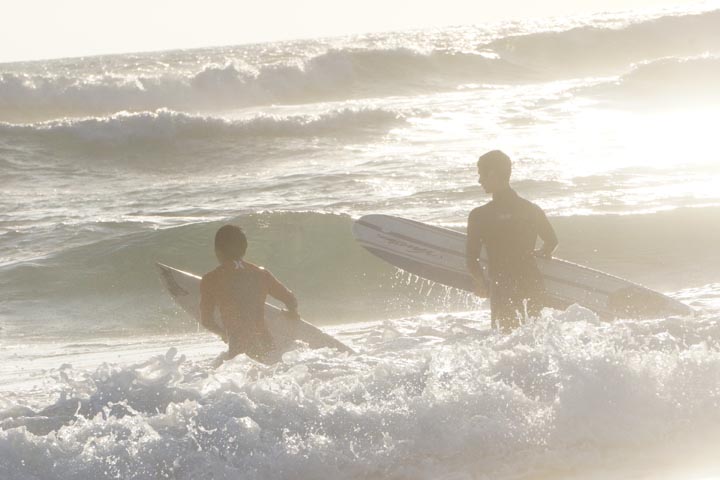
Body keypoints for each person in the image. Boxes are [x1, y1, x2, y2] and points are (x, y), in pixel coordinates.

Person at [466, 150, 558, 332]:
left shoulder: (480, 215)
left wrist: (481, 284)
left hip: (503, 288)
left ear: (492, 174)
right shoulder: (531, 209)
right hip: (532, 284)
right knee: (534, 340)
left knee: (507, 344)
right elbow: (552, 241)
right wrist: (542, 253)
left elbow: (471, 260)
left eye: (481, 175)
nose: (479, 181)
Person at [200, 225, 299, 363]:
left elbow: (207, 321)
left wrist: (222, 333)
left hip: (239, 352)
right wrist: (292, 311)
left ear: (217, 251)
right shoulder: (261, 274)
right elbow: (291, 299)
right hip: (266, 345)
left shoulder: (211, 279)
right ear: (245, 248)